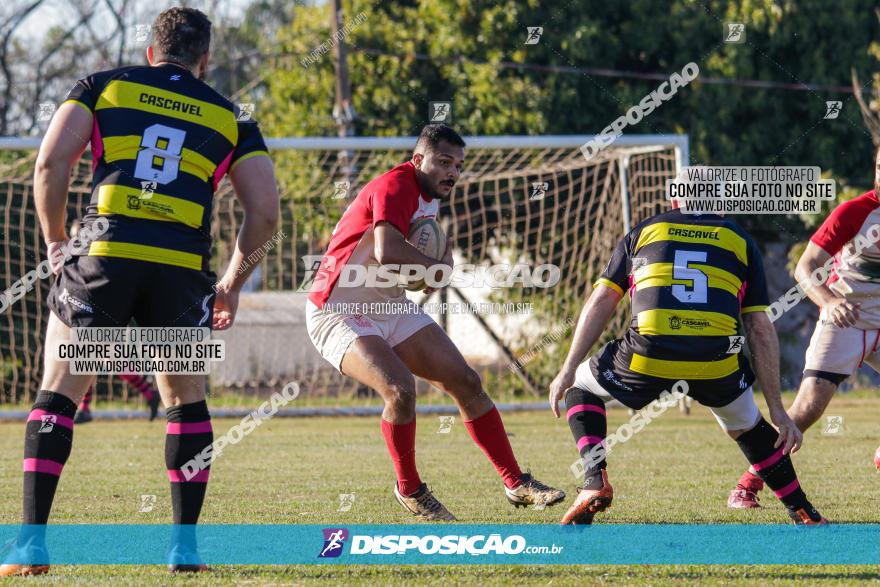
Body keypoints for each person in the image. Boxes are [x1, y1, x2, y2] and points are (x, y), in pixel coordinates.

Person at [0, 7, 279, 576]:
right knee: (185, 401)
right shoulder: (231, 118)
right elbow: (266, 213)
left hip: (104, 257)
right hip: (180, 270)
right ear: (204, 61)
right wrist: (230, 284)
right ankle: (184, 548)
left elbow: (51, 165)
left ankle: (30, 546)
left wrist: (57, 243)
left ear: (151, 51)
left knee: (59, 394)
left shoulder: (104, 86)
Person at [306, 123, 565, 521]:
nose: (452, 172)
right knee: (399, 389)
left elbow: (410, 273)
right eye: (444, 162)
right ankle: (410, 490)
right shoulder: (396, 185)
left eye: (458, 165)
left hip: (389, 306)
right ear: (418, 159)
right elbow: (389, 251)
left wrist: (430, 273)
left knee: (467, 382)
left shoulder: (429, 198)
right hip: (337, 309)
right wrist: (436, 270)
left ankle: (517, 482)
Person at [548, 206, 827, 525]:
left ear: (675, 197)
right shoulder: (739, 239)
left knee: (580, 388)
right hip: (715, 362)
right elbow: (759, 328)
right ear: (720, 202)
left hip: (647, 354)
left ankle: (594, 482)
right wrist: (777, 410)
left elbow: (602, 301)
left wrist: (568, 368)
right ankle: (802, 511)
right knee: (748, 426)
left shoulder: (645, 231)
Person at [728, 183, 880, 508]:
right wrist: (829, 300)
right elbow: (806, 266)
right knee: (807, 408)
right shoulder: (854, 212)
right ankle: (747, 484)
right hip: (846, 319)